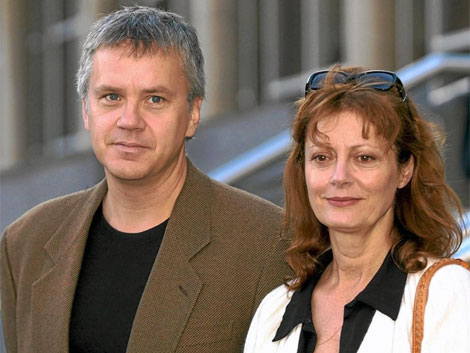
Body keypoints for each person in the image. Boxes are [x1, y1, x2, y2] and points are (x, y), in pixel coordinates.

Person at [0, 6, 292, 353]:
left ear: (193, 114)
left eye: (155, 99)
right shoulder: (26, 243)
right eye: (111, 97)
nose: (129, 120)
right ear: (86, 110)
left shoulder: (267, 243)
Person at [244, 66, 470, 353]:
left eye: (364, 157)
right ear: (302, 169)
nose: (339, 177)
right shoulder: (274, 310)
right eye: (322, 157)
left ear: (404, 170)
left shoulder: (444, 291)